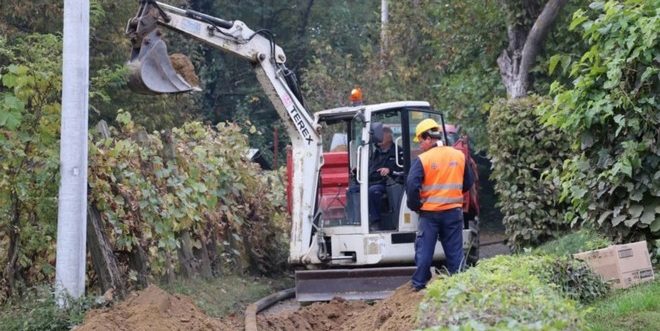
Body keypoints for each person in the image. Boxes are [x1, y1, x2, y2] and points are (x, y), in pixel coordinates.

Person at [406, 118, 474, 291]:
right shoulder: (458, 155)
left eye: (420, 141)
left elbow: (412, 185)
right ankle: (459, 286)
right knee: (455, 252)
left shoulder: (423, 160)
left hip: (430, 214)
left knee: (425, 251)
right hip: (453, 212)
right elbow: (468, 181)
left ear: (428, 138)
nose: (420, 145)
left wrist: (415, 206)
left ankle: (418, 285)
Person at [349, 126, 402, 230]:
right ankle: (355, 220)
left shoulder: (398, 152)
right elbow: (370, 168)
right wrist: (359, 171)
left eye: (381, 135)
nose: (378, 138)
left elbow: (402, 171)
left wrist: (389, 171)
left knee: (373, 191)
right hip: (371, 181)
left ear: (389, 136)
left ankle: (375, 222)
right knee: (353, 190)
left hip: (387, 183)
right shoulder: (375, 153)